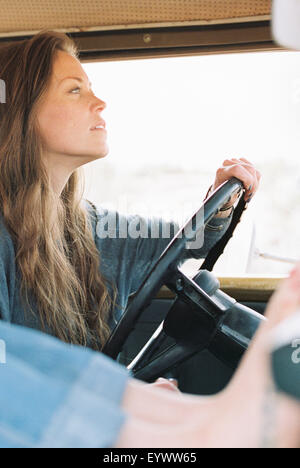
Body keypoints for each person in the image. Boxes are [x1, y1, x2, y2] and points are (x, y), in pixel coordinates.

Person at [0, 30, 261, 353]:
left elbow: (190, 239)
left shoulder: (90, 228)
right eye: (74, 90)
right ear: (21, 114)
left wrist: (220, 201)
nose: (100, 103)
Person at [0, 263, 299, 448]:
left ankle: (196, 418)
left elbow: (188, 240)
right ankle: (193, 440)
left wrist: (222, 207)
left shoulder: (88, 222)